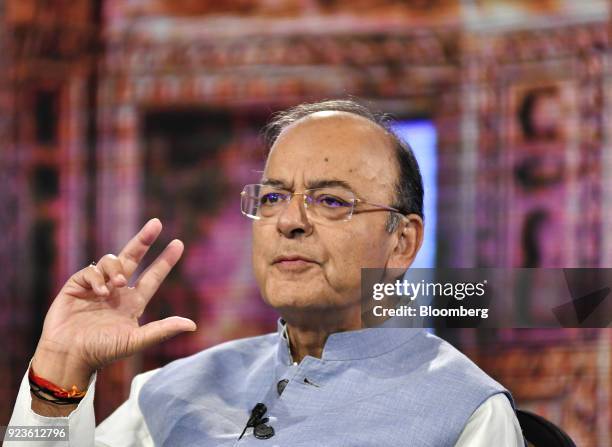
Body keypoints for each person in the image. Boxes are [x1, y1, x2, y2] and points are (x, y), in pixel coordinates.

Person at [7, 100, 524, 446]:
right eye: (274, 196)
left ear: (403, 241)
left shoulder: (465, 411)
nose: (290, 221)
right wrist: (62, 368)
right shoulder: (168, 393)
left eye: (330, 201)